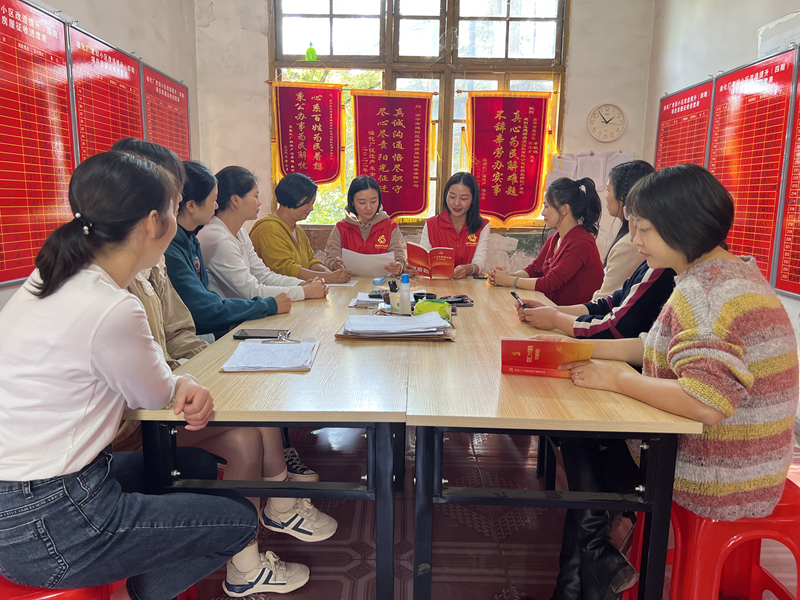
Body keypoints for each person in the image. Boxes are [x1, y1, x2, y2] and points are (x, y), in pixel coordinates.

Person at [0, 151, 265, 600]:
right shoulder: (112, 306)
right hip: (52, 522)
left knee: (195, 465)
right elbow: (157, 395)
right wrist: (184, 385)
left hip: (29, 499)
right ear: (152, 223)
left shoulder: (49, 277)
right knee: (237, 522)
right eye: (173, 207)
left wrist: (178, 384)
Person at [544, 165, 799, 600]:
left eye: (643, 229)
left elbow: (705, 404)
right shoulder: (725, 275)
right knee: (583, 421)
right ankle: (594, 560)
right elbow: (653, 346)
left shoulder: (705, 296)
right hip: (750, 461)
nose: (635, 240)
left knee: (578, 428)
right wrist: (577, 350)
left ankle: (589, 567)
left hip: (715, 473)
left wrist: (616, 381)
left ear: (681, 226)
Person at [165, 161, 291, 339]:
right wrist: (268, 305)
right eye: (213, 200)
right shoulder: (184, 244)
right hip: (200, 333)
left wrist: (302, 287)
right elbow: (205, 309)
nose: (216, 206)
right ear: (191, 205)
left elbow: (262, 275)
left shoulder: (192, 239)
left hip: (213, 327)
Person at [515, 220, 676, 339]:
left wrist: (556, 318)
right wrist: (551, 310)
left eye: (643, 229)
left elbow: (619, 327)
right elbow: (610, 303)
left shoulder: (581, 241)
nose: (635, 239)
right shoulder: (556, 238)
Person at [198, 165, 329, 303]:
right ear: (235, 200)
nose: (259, 202)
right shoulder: (218, 239)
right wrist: (304, 291)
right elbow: (253, 292)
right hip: (229, 315)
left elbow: (264, 276)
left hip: (244, 310)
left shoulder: (240, 233)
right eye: (255, 196)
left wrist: (301, 284)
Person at [489, 178, 604, 305]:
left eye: (547, 207)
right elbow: (534, 270)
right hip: (555, 308)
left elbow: (550, 283)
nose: (543, 213)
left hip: (575, 314)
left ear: (564, 209)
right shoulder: (556, 237)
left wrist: (510, 281)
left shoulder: (581, 243)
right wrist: (506, 276)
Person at [250, 173, 352, 282]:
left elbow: (311, 261)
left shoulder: (298, 230)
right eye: (307, 203)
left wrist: (328, 272)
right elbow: (287, 271)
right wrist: (330, 277)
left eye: (312, 203)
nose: (311, 208)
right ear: (292, 197)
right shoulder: (269, 229)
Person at [592, 160, 655, 300]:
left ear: (623, 196)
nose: (606, 196)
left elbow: (604, 301)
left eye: (608, 190)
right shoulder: (628, 239)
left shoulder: (629, 245)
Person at [322, 175, 406, 275]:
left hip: (383, 282)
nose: (369, 207)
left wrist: (399, 267)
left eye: (373, 201)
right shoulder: (341, 228)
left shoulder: (390, 227)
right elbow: (330, 260)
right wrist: (334, 265)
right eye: (362, 203)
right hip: (349, 282)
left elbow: (400, 259)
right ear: (352, 202)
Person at [416, 172, 490, 279]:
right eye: (452, 197)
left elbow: (479, 262)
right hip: (438, 282)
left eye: (463, 198)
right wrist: (414, 266)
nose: (456, 203)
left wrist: (467, 269)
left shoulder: (482, 226)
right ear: (446, 196)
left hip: (469, 284)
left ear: (473, 200)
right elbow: (423, 260)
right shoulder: (431, 224)